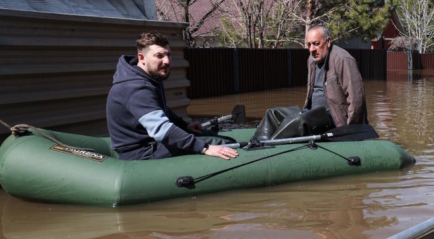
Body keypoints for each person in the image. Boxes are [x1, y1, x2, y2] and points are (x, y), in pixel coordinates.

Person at [107, 32, 239, 161]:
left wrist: (184, 125)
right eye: (159, 56)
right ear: (141, 58)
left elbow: (160, 110)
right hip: (141, 152)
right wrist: (205, 148)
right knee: (222, 143)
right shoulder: (136, 88)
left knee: (216, 138)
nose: (167, 61)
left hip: (152, 144)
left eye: (168, 55)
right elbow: (161, 130)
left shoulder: (148, 77)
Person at [253, 26, 367, 142]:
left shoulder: (343, 60)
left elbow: (357, 99)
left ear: (328, 42)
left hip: (335, 118)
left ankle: (272, 147)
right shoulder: (311, 60)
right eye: (309, 45)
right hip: (312, 113)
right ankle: (255, 144)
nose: (312, 49)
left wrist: (351, 131)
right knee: (272, 113)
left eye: (316, 44)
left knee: (299, 121)